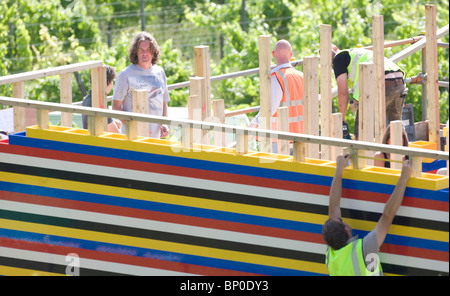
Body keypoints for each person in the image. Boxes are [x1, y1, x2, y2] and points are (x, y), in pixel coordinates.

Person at [322, 154, 413, 276]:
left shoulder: (331, 256)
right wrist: (404, 177)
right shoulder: (364, 249)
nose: (337, 218)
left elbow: (333, 209)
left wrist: (339, 169)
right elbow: (387, 215)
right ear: (346, 229)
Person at [332, 45, 408, 140]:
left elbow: (342, 92)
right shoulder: (356, 53)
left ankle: (365, 154)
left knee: (363, 133)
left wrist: (341, 118)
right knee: (396, 129)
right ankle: (404, 154)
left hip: (379, 83)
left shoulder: (338, 58)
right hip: (398, 81)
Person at [249, 39, 304, 153]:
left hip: (279, 138)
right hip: (301, 134)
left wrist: (254, 124)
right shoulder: (301, 76)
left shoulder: (276, 78)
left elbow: (270, 107)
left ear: (273, 54)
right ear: (290, 55)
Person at [112, 31, 170, 138]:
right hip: (133, 136)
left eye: (148, 49)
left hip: (155, 137)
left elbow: (163, 103)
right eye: (141, 50)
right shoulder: (125, 74)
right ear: (136, 52)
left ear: (154, 52)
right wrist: (134, 127)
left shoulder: (160, 72)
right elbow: (115, 106)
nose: (145, 53)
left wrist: (164, 123)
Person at [82, 65, 121, 133]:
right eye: (112, 82)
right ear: (108, 82)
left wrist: (114, 122)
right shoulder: (100, 103)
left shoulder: (87, 99)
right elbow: (115, 132)